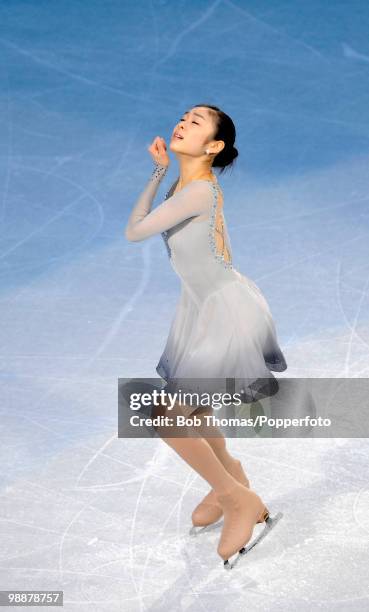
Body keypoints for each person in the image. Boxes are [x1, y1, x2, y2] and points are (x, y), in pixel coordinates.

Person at [125, 104, 287, 567]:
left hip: (226, 313)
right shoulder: (187, 186)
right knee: (192, 409)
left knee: (168, 415)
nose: (182, 123)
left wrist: (155, 172)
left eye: (196, 122)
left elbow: (135, 231)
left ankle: (236, 496)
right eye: (183, 117)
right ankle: (232, 476)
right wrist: (162, 171)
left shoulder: (197, 191)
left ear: (213, 146)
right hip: (202, 308)